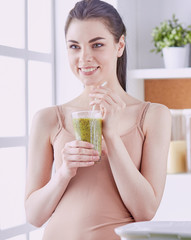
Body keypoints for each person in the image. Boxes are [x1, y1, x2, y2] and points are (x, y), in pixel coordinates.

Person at [24, 0, 171, 239]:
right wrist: (64, 172)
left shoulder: (153, 115)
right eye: (74, 47)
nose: (84, 58)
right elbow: (34, 215)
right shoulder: (49, 119)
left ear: (120, 45)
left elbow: (146, 211)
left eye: (97, 45)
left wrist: (111, 136)